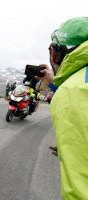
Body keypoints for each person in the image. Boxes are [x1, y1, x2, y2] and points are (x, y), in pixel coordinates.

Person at [39, 17, 88, 200]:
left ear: (56, 54)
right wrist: (54, 84)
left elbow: (80, 189)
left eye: (51, 51)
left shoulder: (72, 92)